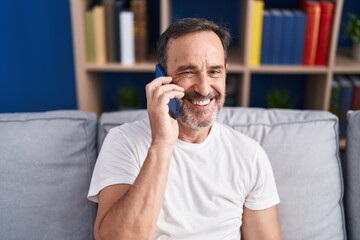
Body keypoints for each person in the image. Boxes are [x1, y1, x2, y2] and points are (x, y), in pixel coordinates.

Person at [88, 18, 281, 239]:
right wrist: (161, 145)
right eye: (188, 72)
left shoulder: (249, 154)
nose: (204, 88)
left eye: (214, 71)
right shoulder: (124, 141)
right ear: (161, 78)